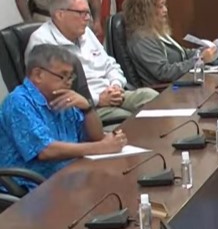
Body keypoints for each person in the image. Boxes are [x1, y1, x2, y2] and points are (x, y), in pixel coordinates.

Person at [0, 44, 126, 186]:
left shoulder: (62, 98)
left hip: (70, 174)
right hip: (33, 184)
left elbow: (95, 137)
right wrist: (102, 147)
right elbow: (46, 150)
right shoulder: (18, 102)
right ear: (38, 75)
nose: (69, 83)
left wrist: (87, 108)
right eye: (63, 76)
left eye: (70, 77)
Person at [26, 0, 159, 124]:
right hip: (81, 107)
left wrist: (116, 85)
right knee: (129, 118)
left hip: (111, 93)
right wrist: (97, 99)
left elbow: (110, 65)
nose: (88, 19)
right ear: (60, 14)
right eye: (81, 13)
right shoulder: (42, 40)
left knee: (151, 97)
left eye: (88, 13)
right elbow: (52, 89)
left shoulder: (86, 32)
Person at [122, 0, 218, 87]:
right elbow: (164, 72)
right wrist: (200, 60)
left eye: (165, 5)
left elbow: (183, 54)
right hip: (167, 90)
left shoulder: (155, 31)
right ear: (145, 10)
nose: (165, 10)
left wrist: (202, 51)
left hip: (182, 83)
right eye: (160, 6)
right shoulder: (142, 39)